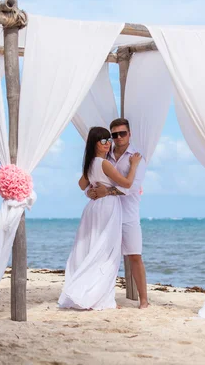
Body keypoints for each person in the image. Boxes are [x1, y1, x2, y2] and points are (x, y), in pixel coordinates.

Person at [58, 127, 142, 310]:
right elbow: (127, 184)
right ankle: (100, 298)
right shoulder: (104, 164)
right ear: (94, 143)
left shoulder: (90, 163)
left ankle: (95, 293)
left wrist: (92, 188)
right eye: (103, 141)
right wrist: (134, 165)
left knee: (94, 248)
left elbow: (82, 185)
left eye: (108, 140)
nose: (108, 144)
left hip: (94, 208)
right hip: (108, 206)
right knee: (106, 252)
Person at [87, 118, 149, 309]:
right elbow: (93, 180)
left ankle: (144, 300)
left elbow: (132, 187)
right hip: (106, 213)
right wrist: (90, 191)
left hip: (128, 214)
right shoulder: (105, 156)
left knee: (135, 255)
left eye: (122, 133)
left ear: (130, 134)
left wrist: (108, 191)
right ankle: (103, 297)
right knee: (103, 256)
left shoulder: (137, 158)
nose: (118, 137)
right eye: (114, 135)